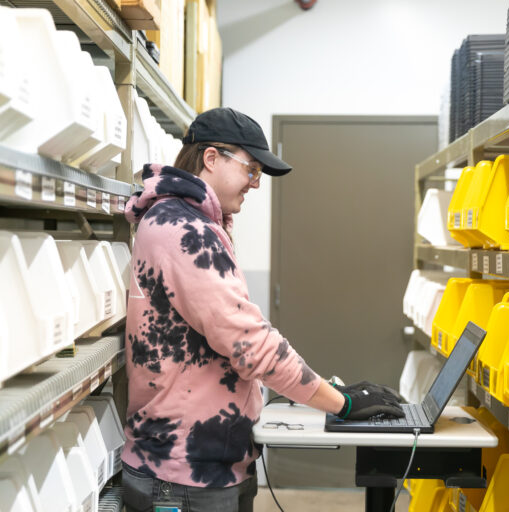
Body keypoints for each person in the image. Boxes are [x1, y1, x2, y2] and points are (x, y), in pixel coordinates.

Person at [121, 107, 404, 512]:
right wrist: (342, 403)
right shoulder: (182, 231)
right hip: (184, 474)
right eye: (251, 169)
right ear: (211, 158)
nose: (255, 184)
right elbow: (250, 344)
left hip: (206, 464)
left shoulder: (191, 224)